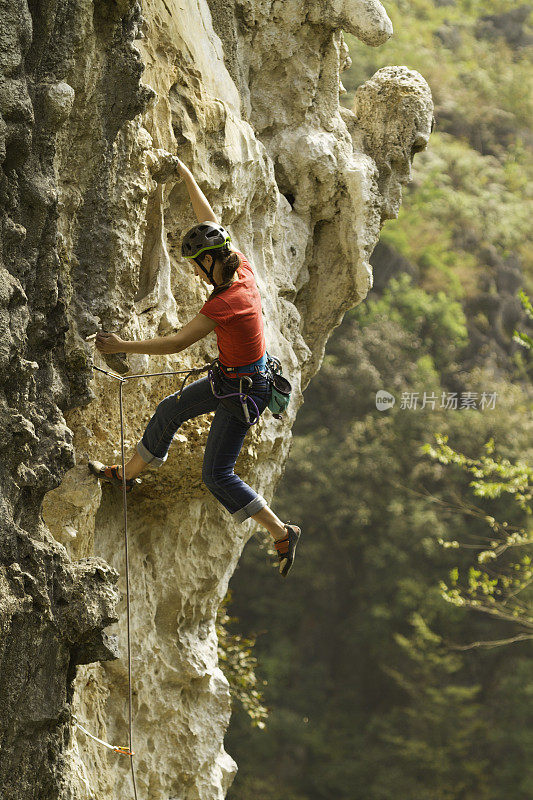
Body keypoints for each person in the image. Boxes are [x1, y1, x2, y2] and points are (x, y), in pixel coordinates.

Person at [88, 158, 300, 577]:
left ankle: (281, 530)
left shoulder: (226, 301)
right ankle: (125, 475)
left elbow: (178, 342)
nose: (197, 272)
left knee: (217, 475)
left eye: (195, 264)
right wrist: (187, 175)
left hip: (244, 393)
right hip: (234, 379)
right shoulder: (239, 267)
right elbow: (211, 219)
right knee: (170, 410)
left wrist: (121, 344)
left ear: (206, 262)